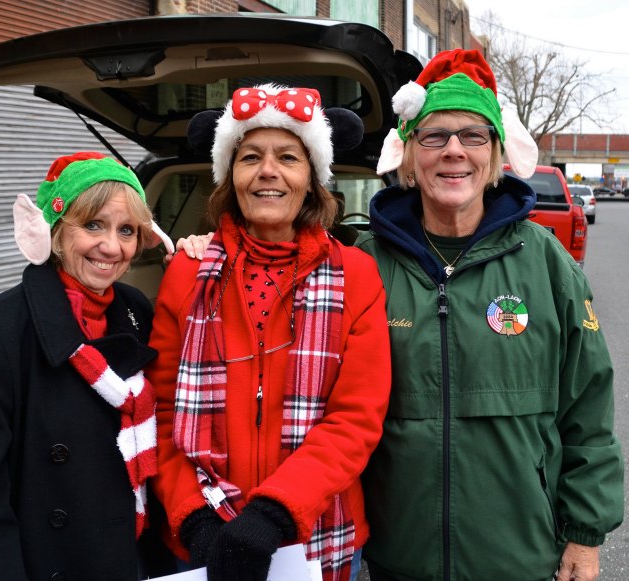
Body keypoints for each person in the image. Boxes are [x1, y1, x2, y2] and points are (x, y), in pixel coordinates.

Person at [357, 49, 624, 581]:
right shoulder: (364, 264)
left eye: (474, 135)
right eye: (434, 136)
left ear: (498, 154)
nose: (454, 150)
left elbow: (587, 410)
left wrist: (585, 535)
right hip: (394, 558)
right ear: (409, 155)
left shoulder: (547, 263)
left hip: (520, 557)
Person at [146, 85, 391, 581]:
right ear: (229, 176)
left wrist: (274, 512)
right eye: (250, 156)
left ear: (313, 178)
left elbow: (356, 418)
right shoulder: (186, 274)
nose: (268, 172)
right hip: (202, 537)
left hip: (318, 536)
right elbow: (163, 413)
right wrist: (193, 517)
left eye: (288, 157)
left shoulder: (357, 275)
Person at [0, 152, 177, 581]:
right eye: (93, 225)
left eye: (126, 230)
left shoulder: (136, 311)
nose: (111, 247)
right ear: (57, 230)